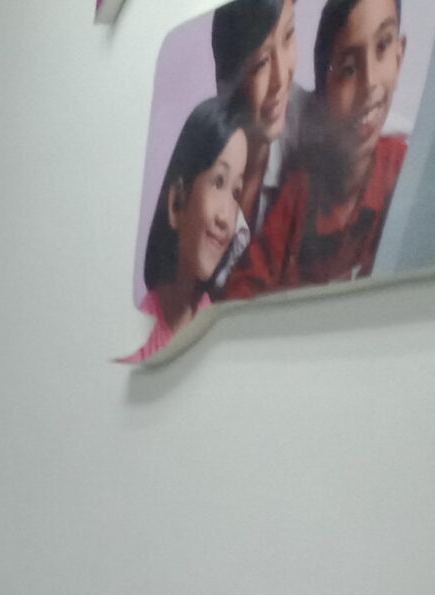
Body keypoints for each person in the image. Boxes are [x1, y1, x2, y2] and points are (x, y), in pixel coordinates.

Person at [237, 0, 412, 294]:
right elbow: (241, 290)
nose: (370, 83)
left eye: (382, 46)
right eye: (348, 70)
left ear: (400, 54)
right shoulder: (300, 192)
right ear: (323, 99)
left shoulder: (406, 171)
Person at [128, 98, 252, 362]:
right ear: (176, 203)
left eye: (236, 193)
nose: (226, 218)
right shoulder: (135, 334)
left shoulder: (220, 331)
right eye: (218, 182)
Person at [211, 0, 304, 261]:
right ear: (226, 81)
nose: (281, 79)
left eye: (289, 35)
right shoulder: (203, 155)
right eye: (261, 62)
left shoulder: (309, 125)